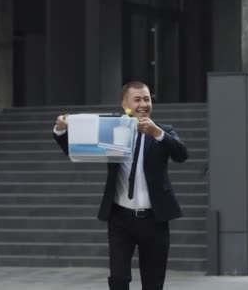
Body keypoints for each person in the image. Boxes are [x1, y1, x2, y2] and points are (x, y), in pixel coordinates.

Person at [52, 81, 188, 290]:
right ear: (125, 103)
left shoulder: (163, 132)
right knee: (118, 279)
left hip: (154, 219)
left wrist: (156, 132)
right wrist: (61, 129)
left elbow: (181, 154)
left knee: (153, 283)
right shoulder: (113, 131)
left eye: (147, 99)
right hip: (120, 219)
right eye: (137, 99)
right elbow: (79, 149)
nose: (143, 104)